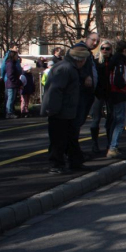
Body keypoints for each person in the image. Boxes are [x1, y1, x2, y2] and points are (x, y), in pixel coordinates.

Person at [42, 46, 90, 174]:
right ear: (81, 60)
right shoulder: (65, 69)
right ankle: (55, 164)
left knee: (70, 138)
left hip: (67, 111)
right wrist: (53, 110)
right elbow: (55, 90)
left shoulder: (68, 68)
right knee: (58, 140)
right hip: (60, 111)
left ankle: (75, 161)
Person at [106, 40, 126, 158]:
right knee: (119, 121)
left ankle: (111, 145)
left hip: (113, 93)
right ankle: (113, 147)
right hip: (119, 93)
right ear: (125, 50)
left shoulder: (113, 60)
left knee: (115, 120)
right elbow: (119, 80)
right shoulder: (120, 62)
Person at [90, 40, 113, 152]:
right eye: (103, 48)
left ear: (111, 50)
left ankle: (110, 143)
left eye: (107, 48)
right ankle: (94, 144)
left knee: (110, 118)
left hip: (110, 93)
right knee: (96, 118)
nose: (105, 50)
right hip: (98, 93)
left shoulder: (113, 62)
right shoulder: (96, 62)